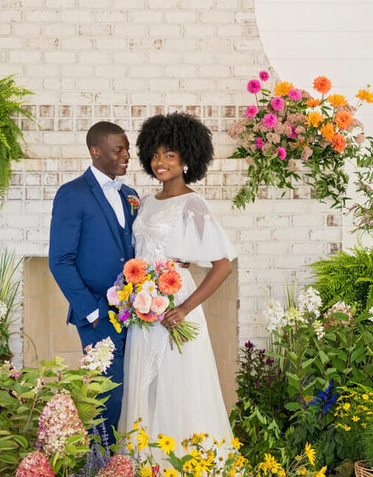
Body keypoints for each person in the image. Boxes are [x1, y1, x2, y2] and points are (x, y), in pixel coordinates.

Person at [118, 112, 237, 454]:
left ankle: (185, 472)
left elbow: (223, 265)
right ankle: (145, 470)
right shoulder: (146, 201)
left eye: (169, 155)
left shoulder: (194, 205)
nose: (160, 162)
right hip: (144, 306)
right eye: (155, 155)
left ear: (187, 159)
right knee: (145, 383)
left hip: (175, 304)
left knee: (177, 384)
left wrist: (185, 308)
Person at [49, 121, 140, 444]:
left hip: (135, 312)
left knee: (131, 392)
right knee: (105, 397)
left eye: (127, 148)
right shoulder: (71, 194)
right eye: (119, 150)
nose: (127, 155)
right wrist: (91, 312)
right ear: (95, 151)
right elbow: (59, 260)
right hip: (97, 315)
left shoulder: (130, 195)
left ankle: (126, 468)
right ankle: (99, 472)